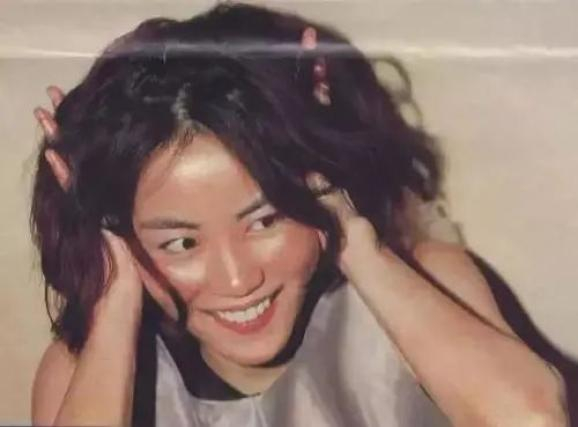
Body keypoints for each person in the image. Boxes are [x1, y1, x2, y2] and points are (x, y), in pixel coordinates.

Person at [30, 3, 568, 426]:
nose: (238, 280)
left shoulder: (433, 285)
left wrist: (355, 241)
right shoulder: (84, 370)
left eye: (266, 220)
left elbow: (532, 420)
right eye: (182, 243)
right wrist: (112, 302)